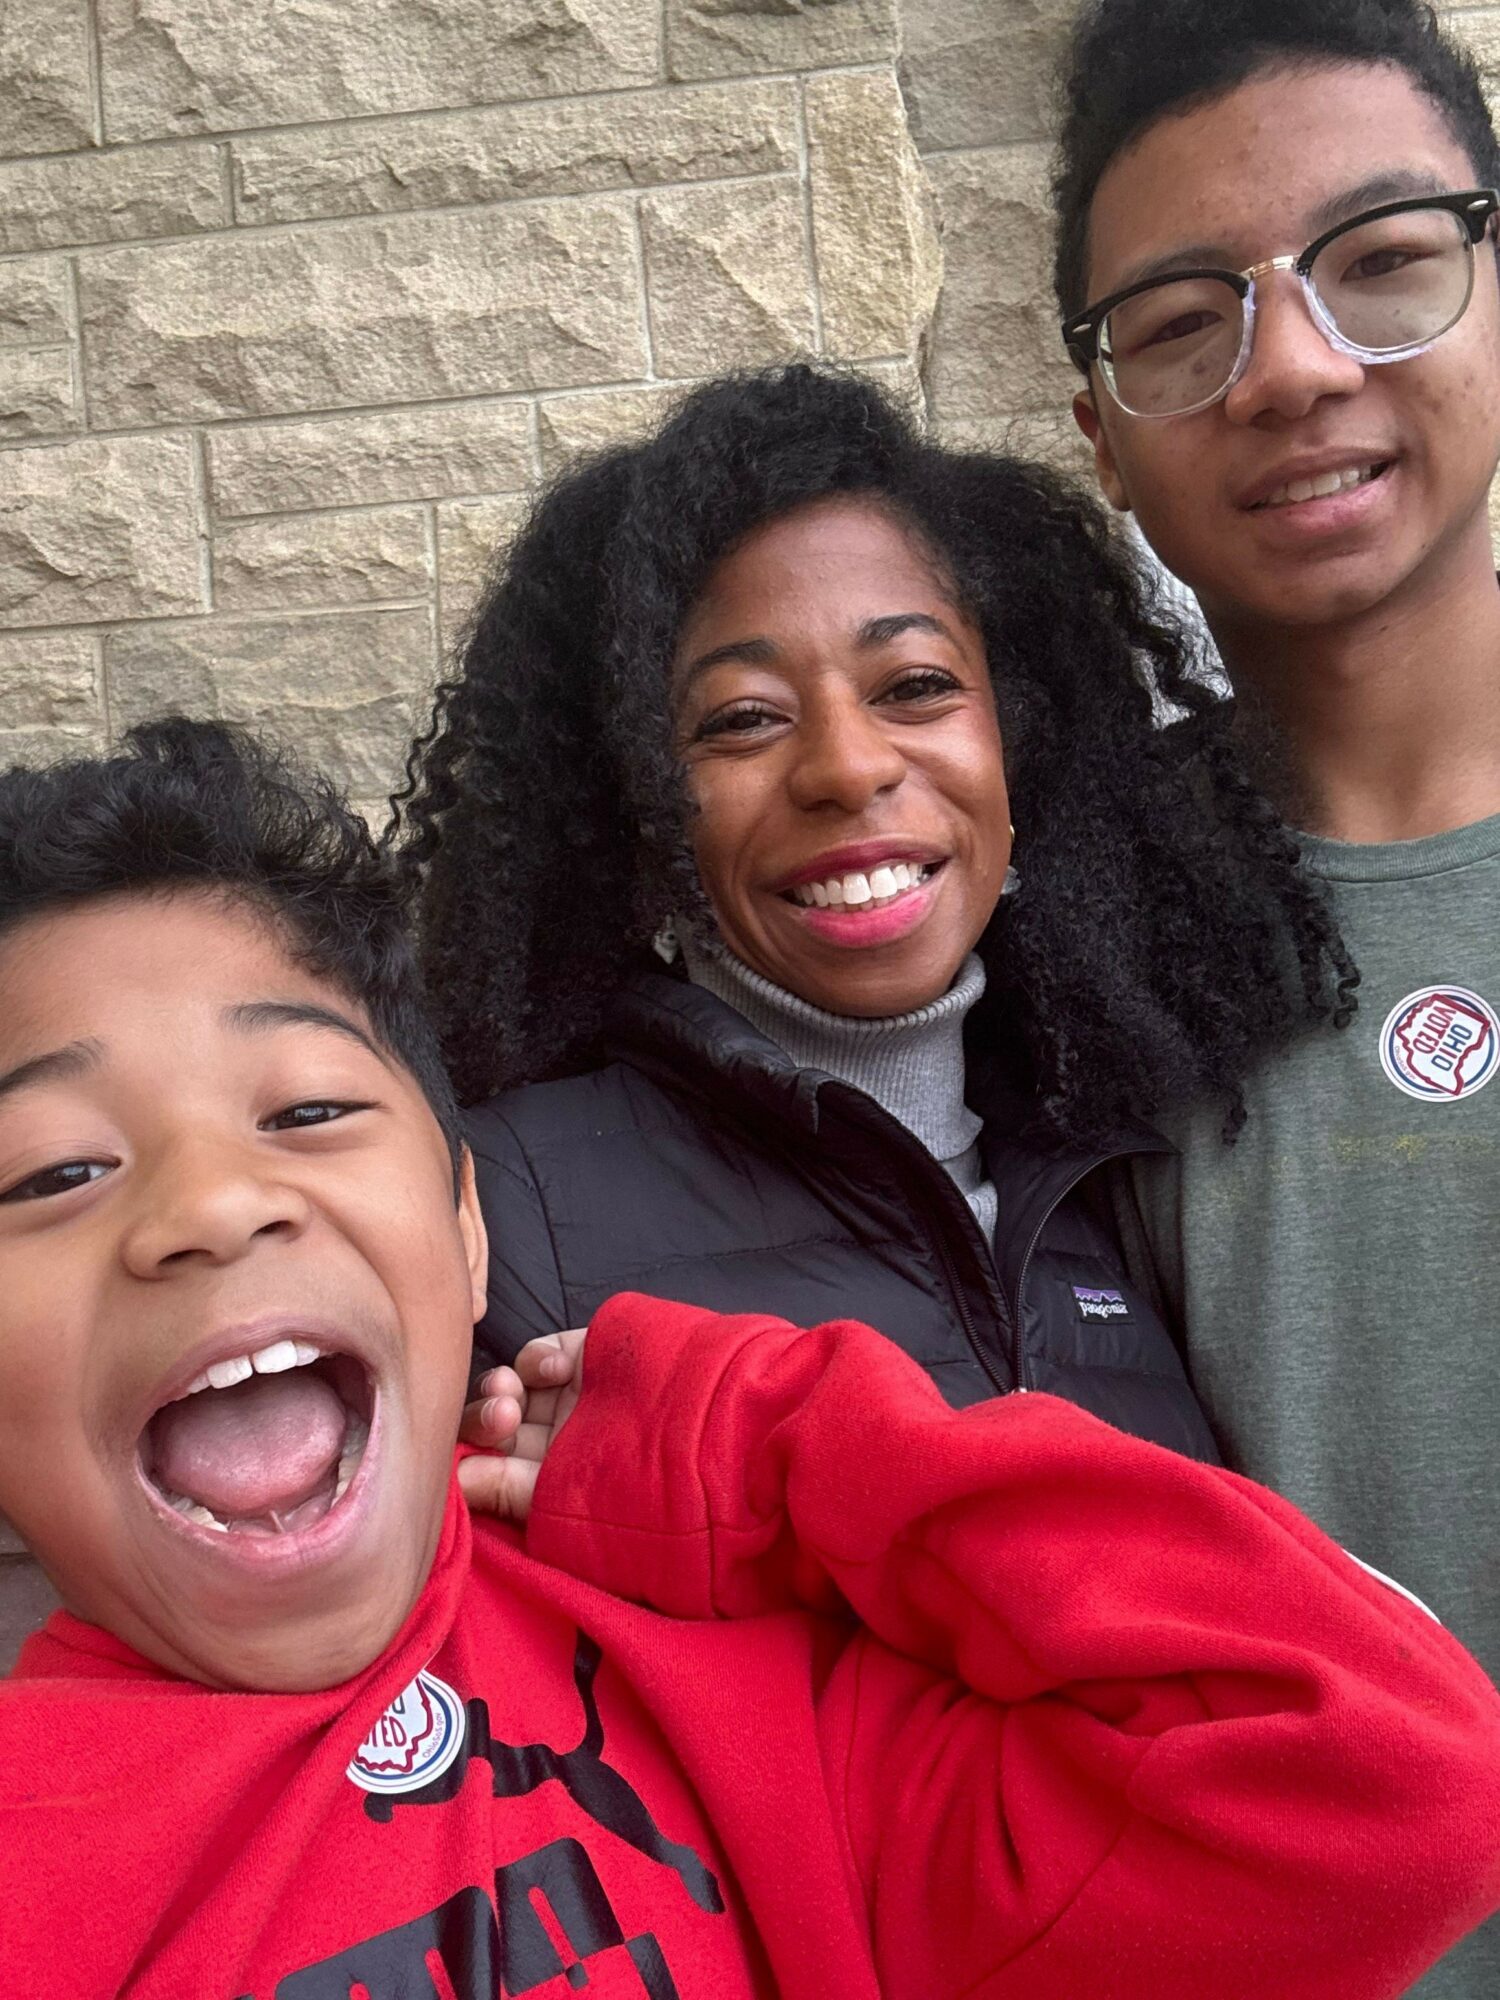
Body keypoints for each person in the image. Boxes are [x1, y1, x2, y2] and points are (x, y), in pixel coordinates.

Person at [2, 718, 1499, 2000]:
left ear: (463, 1228)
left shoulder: (746, 1685)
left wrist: (791, 1445)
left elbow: (1390, 1778)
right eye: (54, 1172)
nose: (214, 1206)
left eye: (308, 1111)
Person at [396, 363, 1349, 1459]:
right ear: (631, 805)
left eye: (915, 686)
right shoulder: (505, 1211)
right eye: (743, 718)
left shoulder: (1117, 1175)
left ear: (1019, 741)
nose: (849, 768)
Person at [1053, 7, 1500, 1985]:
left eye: (1380, 261)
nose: (1297, 368)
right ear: (1101, 433)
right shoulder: (1057, 932)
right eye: (1184, 321)